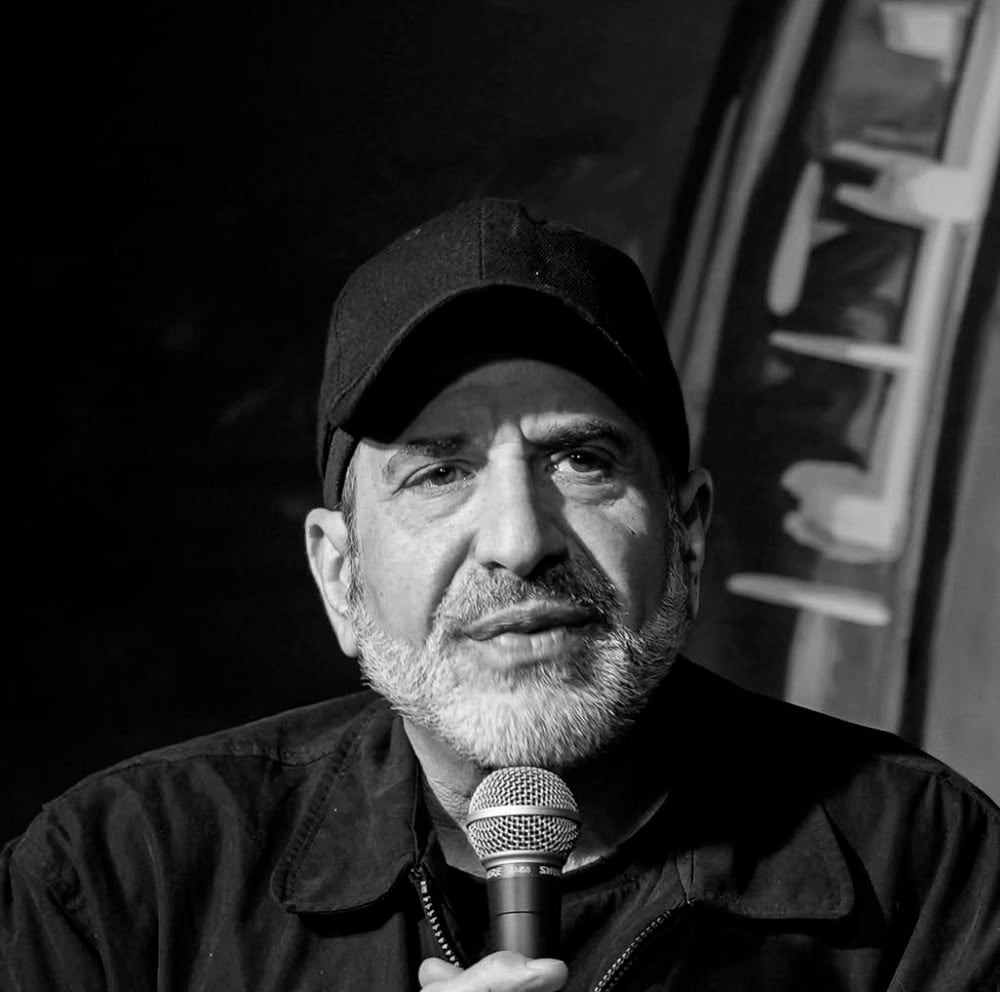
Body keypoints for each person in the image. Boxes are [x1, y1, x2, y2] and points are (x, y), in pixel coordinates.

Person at [2, 198, 998, 991]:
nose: (519, 540)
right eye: (437, 473)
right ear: (339, 575)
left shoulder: (923, 869)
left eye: (581, 458)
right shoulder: (120, 885)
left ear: (686, 533)